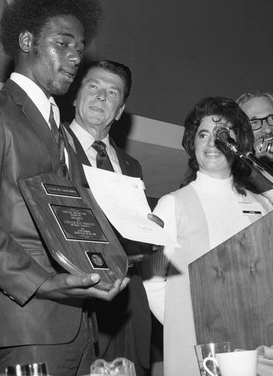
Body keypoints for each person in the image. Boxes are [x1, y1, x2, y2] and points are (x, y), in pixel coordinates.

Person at [0, 0, 129, 376]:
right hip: (23, 325)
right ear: (27, 42)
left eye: (79, 49)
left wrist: (115, 258)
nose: (75, 57)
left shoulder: (60, 131)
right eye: (63, 44)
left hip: (79, 328)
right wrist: (43, 283)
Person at [143, 97, 273, 376]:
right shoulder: (171, 204)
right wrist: (186, 330)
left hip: (259, 343)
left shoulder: (262, 206)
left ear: (237, 144)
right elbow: (154, 281)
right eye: (203, 134)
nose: (212, 141)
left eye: (222, 134)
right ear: (194, 143)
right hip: (200, 349)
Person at [64, 60, 152, 376]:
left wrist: (149, 234)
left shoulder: (132, 166)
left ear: (119, 110)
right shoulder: (49, 145)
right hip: (76, 303)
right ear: (75, 97)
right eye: (93, 86)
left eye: (112, 92)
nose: (102, 96)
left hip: (127, 306)